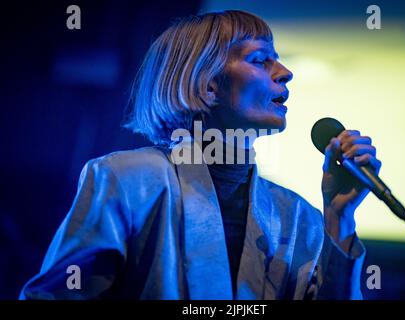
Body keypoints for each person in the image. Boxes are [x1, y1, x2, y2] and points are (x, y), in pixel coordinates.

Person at [20, 10, 381, 300]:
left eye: (279, 60)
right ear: (209, 85)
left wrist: (338, 217)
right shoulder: (126, 179)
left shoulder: (299, 216)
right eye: (260, 59)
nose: (285, 73)